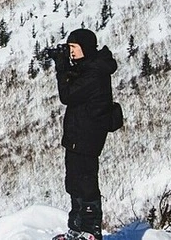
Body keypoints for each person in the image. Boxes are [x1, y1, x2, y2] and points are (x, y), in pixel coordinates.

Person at [52, 29, 118, 240]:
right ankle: (76, 228)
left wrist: (61, 68)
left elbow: (67, 95)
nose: (70, 52)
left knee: (86, 182)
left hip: (87, 136)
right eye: (69, 48)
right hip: (76, 135)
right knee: (73, 182)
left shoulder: (95, 71)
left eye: (74, 47)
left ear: (86, 48)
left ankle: (91, 231)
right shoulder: (87, 67)